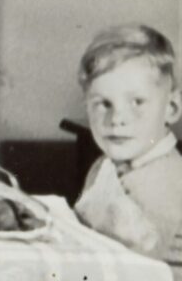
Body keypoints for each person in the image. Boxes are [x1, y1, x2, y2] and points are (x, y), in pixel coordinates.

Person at [74, 24, 182, 272]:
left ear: (171, 108)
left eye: (137, 102)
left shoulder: (168, 180)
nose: (117, 119)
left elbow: (133, 267)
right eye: (104, 103)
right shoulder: (103, 166)